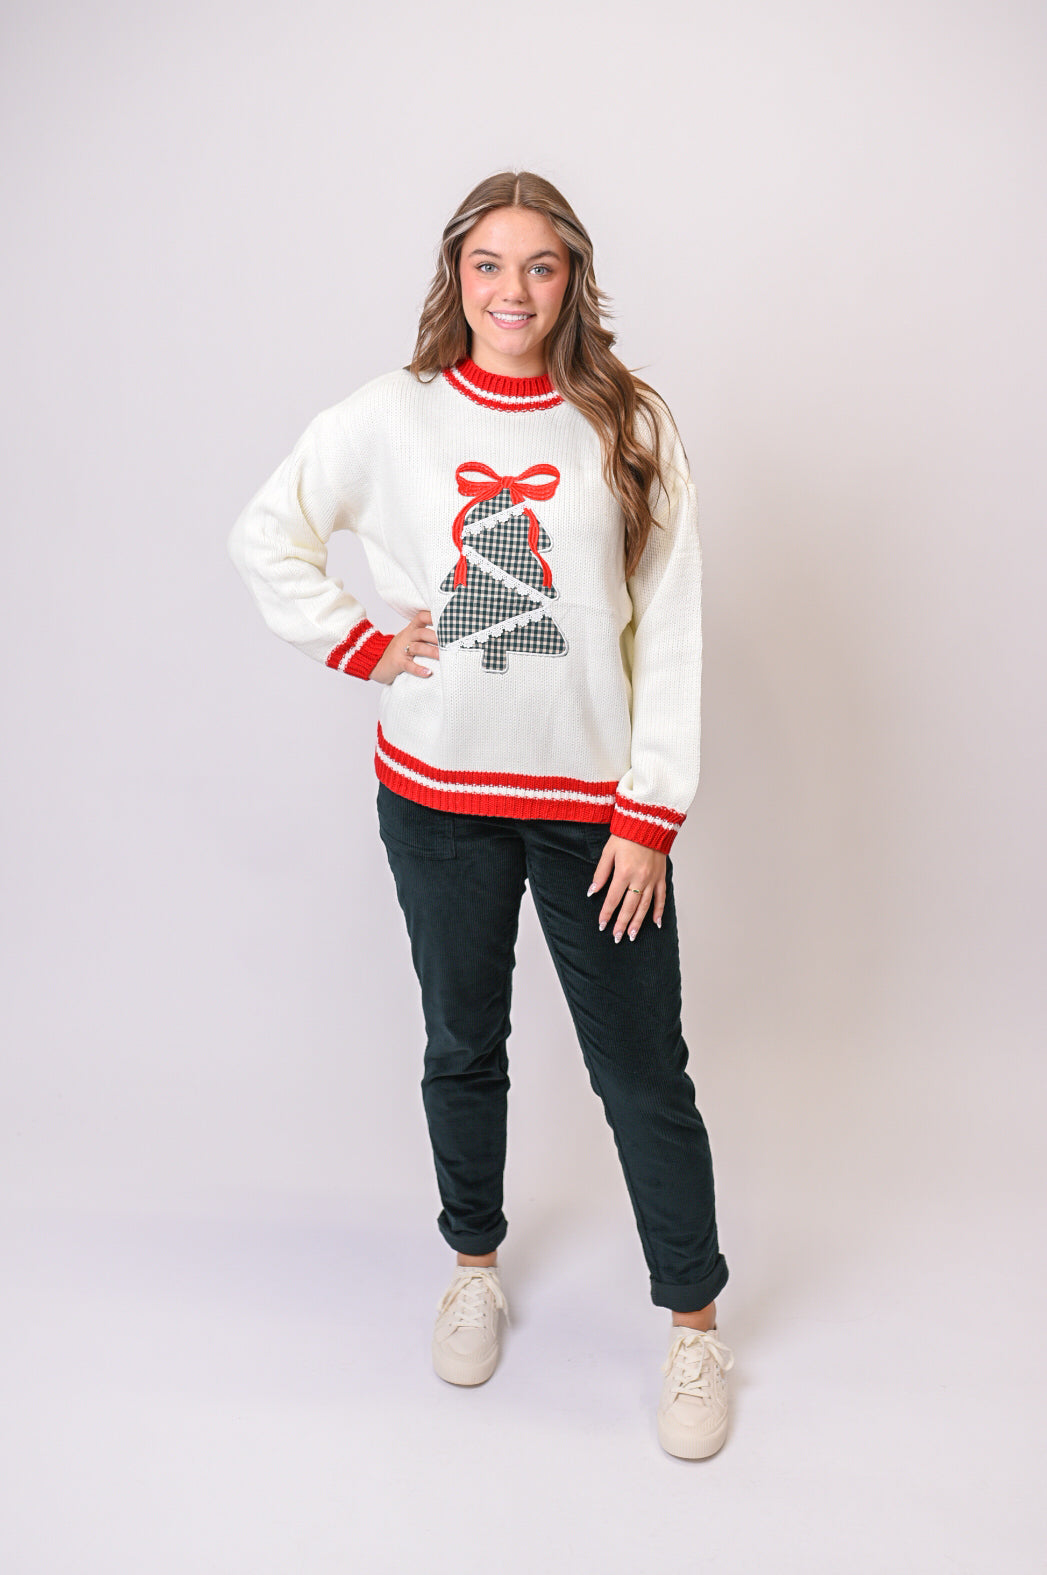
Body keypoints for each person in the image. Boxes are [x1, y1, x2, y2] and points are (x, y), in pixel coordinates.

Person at [228, 170, 733, 1459]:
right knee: (463, 1042)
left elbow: (669, 628)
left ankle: (693, 1326)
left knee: (642, 1070)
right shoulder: (392, 417)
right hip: (438, 798)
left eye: (541, 265)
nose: (514, 290)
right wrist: (363, 644)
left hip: (595, 815)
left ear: (574, 281)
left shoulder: (629, 421)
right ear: (457, 277)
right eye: (489, 264)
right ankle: (473, 1266)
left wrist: (649, 812)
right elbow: (268, 535)